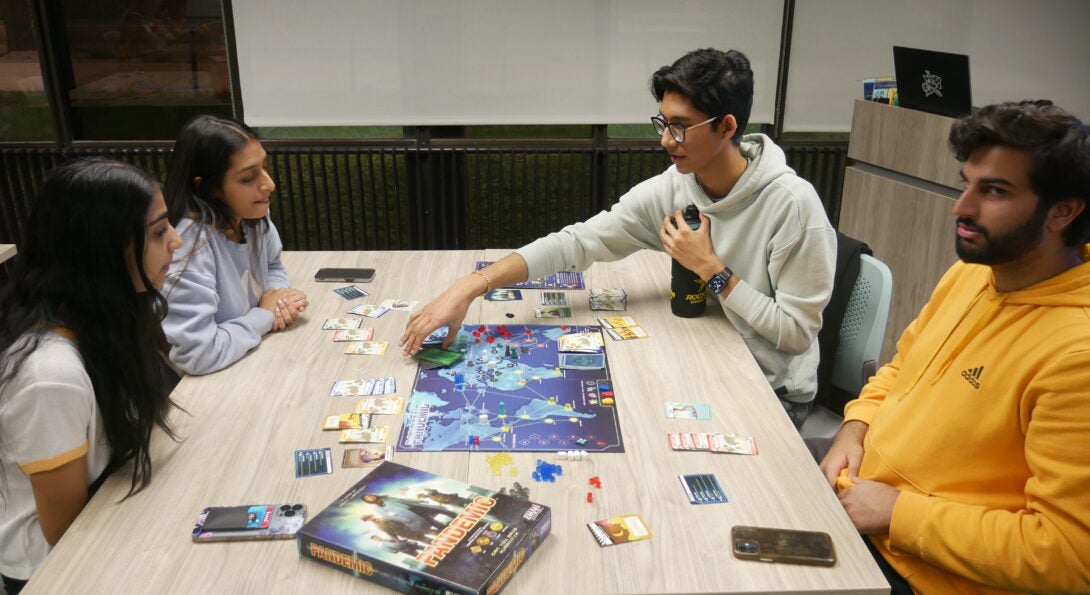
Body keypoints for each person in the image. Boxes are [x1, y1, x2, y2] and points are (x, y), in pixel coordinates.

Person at [401, 48, 836, 426]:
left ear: (726, 127)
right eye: (662, 123)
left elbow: (796, 335)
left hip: (770, 392)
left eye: (681, 126)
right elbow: (579, 241)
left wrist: (710, 268)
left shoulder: (793, 205)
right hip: (705, 353)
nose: (667, 140)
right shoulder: (675, 185)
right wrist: (472, 285)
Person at [820, 100, 1090, 594]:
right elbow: (903, 367)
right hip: (864, 505)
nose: (961, 207)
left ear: (1064, 211)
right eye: (967, 183)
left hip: (919, 572)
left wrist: (898, 513)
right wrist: (853, 430)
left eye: (994, 191)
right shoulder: (974, 272)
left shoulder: (1076, 357)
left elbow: (1068, 556)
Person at [0, 159, 183, 593]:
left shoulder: (106, 316)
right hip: (52, 572)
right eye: (158, 232)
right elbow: (67, 537)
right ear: (102, 251)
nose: (176, 241)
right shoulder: (50, 376)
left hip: (114, 509)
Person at [161, 114, 308, 375]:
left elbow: (272, 264)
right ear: (207, 188)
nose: (269, 184)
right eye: (248, 178)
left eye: (265, 167)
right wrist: (265, 315)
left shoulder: (251, 215)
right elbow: (197, 355)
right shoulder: (187, 247)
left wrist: (278, 298)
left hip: (249, 358)